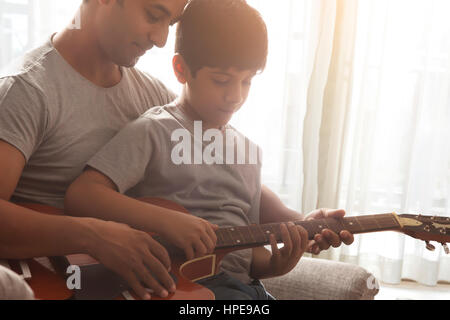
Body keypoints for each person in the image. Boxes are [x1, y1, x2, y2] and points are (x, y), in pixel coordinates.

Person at [65, 0, 353, 300]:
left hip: (244, 290)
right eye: (221, 81)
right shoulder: (153, 131)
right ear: (181, 69)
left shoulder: (247, 153)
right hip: (180, 289)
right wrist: (167, 221)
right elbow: (83, 194)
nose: (235, 96)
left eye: (247, 81)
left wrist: (276, 265)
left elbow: (246, 259)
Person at [0, 0, 191, 299]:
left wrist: (277, 221)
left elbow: (223, 157)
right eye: (154, 15)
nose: (161, 39)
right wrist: (92, 236)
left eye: (171, 23)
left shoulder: (154, 97)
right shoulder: (25, 90)